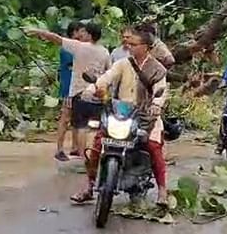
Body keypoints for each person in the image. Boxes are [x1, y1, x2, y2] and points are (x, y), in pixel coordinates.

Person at [71, 27, 169, 205]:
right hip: (121, 112)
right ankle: (90, 186)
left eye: (133, 44)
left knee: (154, 147)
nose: (129, 46)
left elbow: (161, 91)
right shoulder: (123, 64)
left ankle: (162, 192)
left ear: (146, 46)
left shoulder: (158, 69)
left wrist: (156, 105)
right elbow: (107, 77)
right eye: (128, 43)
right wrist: (91, 89)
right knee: (97, 145)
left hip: (147, 116)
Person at [26, 23, 111, 157]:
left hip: (79, 93)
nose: (82, 34)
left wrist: (38, 31)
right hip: (97, 93)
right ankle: (92, 154)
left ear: (89, 34)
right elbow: (109, 72)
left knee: (81, 126)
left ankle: (82, 156)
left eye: (84, 32)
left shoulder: (79, 47)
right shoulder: (105, 51)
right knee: (96, 127)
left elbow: (55, 38)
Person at [54, 21, 84, 162]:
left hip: (76, 88)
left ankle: (75, 147)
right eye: (81, 31)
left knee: (76, 119)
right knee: (65, 118)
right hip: (69, 87)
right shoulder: (68, 49)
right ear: (75, 32)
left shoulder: (77, 47)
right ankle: (59, 149)